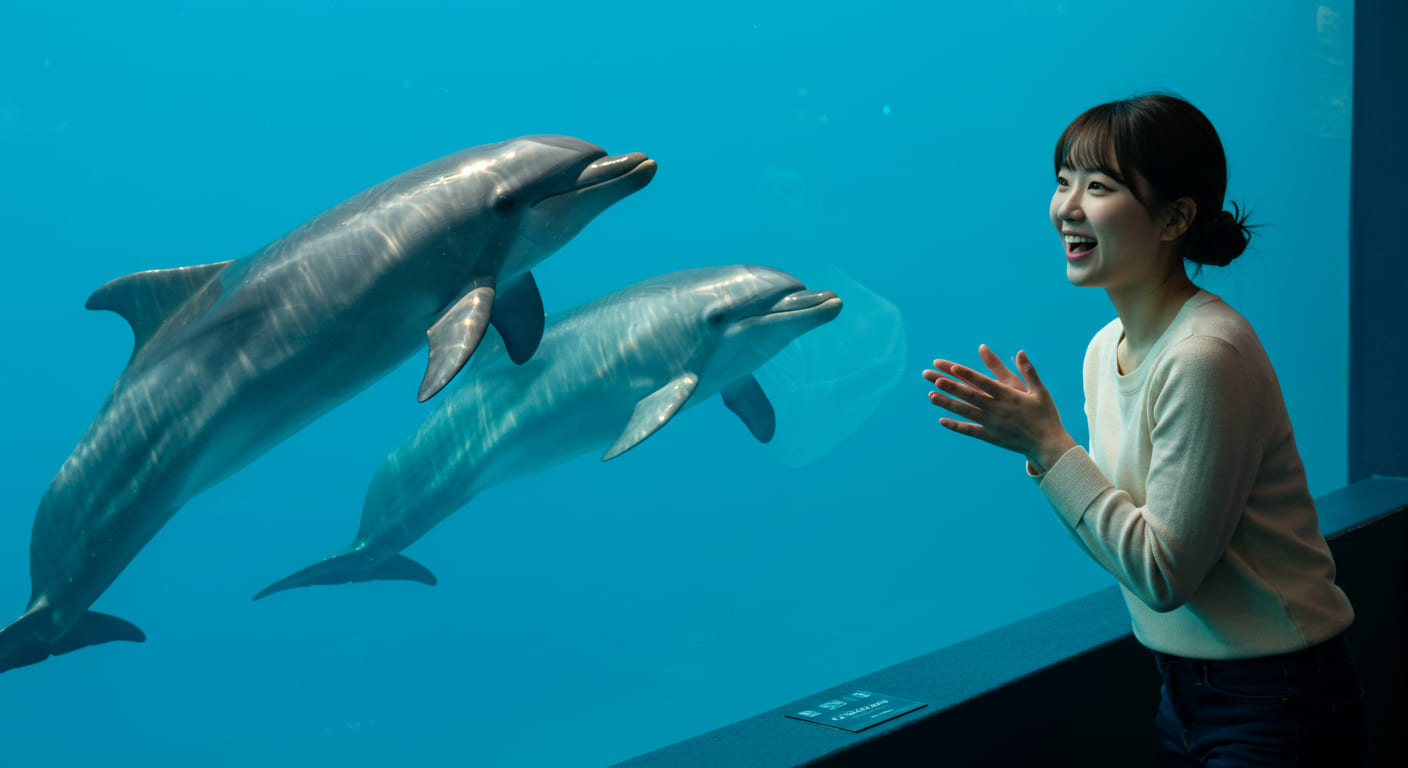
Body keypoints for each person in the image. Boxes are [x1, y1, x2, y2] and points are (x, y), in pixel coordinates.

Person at [922, 92, 1367, 767]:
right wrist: (1047, 453)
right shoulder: (1106, 349)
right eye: (1063, 180)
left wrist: (1048, 447)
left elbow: (1162, 574)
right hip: (1182, 691)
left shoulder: (1205, 355)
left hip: (1277, 700)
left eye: (1098, 186)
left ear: (1176, 218)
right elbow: (1129, 547)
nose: (1067, 206)